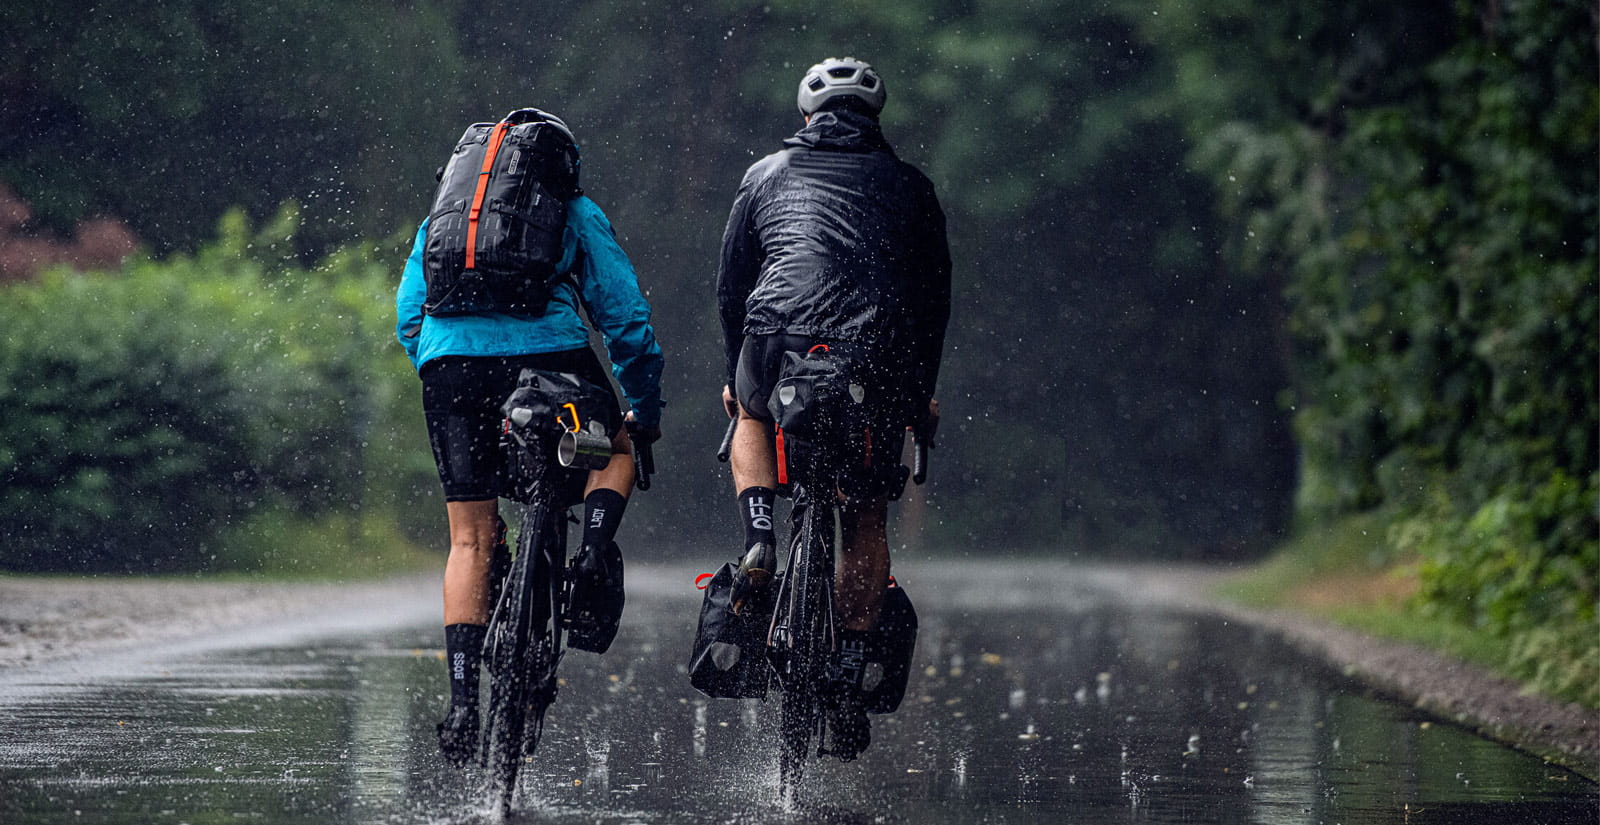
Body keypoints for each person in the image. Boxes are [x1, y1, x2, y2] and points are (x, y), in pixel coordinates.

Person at [395, 108, 664, 767]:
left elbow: (409, 320)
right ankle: (594, 550)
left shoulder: (447, 218)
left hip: (452, 372)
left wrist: (455, 373)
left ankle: (462, 700)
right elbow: (625, 319)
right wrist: (643, 405)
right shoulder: (571, 211)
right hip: (556, 372)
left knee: (470, 538)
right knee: (616, 449)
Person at [715, 57, 951, 760]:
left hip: (777, 340)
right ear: (876, 119)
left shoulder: (764, 175)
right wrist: (918, 396)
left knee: (750, 414)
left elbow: (731, 286)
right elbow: (933, 305)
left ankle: (760, 532)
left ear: (807, 115)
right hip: (871, 356)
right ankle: (848, 669)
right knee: (866, 514)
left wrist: (738, 369)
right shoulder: (911, 187)